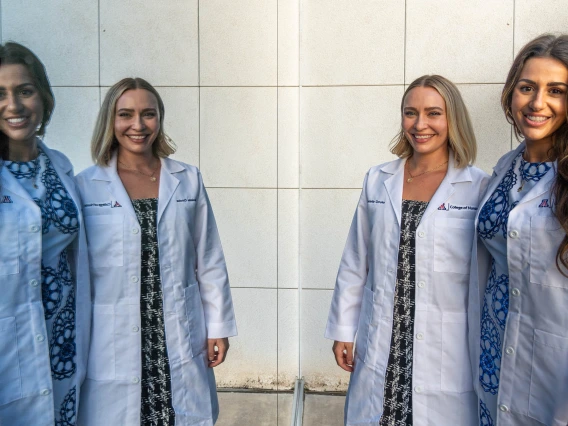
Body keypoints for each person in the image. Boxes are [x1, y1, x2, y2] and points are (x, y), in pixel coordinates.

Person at [325, 75, 490, 426]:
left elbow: (487, 277)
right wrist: (343, 328)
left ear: (453, 120)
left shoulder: (478, 187)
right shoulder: (378, 179)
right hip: (385, 337)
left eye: (434, 113)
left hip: (446, 345)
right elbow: (356, 261)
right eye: (410, 113)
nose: (420, 124)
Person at [75, 77, 237, 425]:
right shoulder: (85, 186)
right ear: (110, 121)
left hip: (176, 330)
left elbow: (208, 259)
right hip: (113, 335)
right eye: (126, 115)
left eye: (148, 114)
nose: (137, 125)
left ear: (159, 119)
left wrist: (218, 326)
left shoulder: (187, 179)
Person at [470, 34, 568, 426]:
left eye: (556, 90)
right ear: (512, 94)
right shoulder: (503, 169)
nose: (537, 102)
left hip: (554, 366)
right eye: (527, 87)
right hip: (494, 356)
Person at [0, 42, 90, 425]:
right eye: (0, 94)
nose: (14, 105)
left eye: (25, 90)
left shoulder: (61, 166)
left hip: (63, 343)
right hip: (9, 347)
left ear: (43, 97)